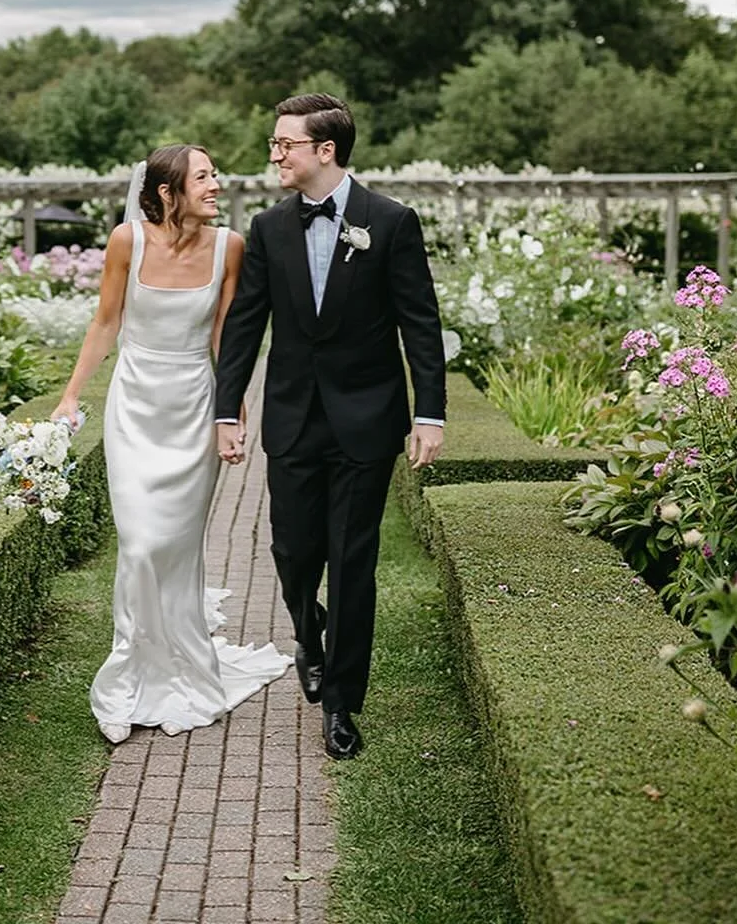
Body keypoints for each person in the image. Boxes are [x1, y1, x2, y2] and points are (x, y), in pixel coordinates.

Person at [214, 94, 446, 760]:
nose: (274, 154)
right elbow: (244, 327)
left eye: (284, 144)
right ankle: (308, 633)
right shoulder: (268, 228)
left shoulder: (392, 222)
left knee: (351, 562)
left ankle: (342, 702)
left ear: (325, 150)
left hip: (367, 421)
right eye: (274, 143)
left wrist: (428, 411)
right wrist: (227, 410)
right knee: (291, 553)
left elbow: (420, 324)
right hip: (291, 419)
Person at [52, 143, 291, 743]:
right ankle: (127, 679)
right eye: (204, 177)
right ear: (168, 191)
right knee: (139, 544)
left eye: (215, 176)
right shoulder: (126, 242)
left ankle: (179, 669)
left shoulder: (229, 247)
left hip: (192, 408)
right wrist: (71, 395)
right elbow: (105, 321)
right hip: (135, 406)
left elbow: (226, 341)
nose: (216, 185)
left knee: (178, 552)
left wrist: (229, 417)